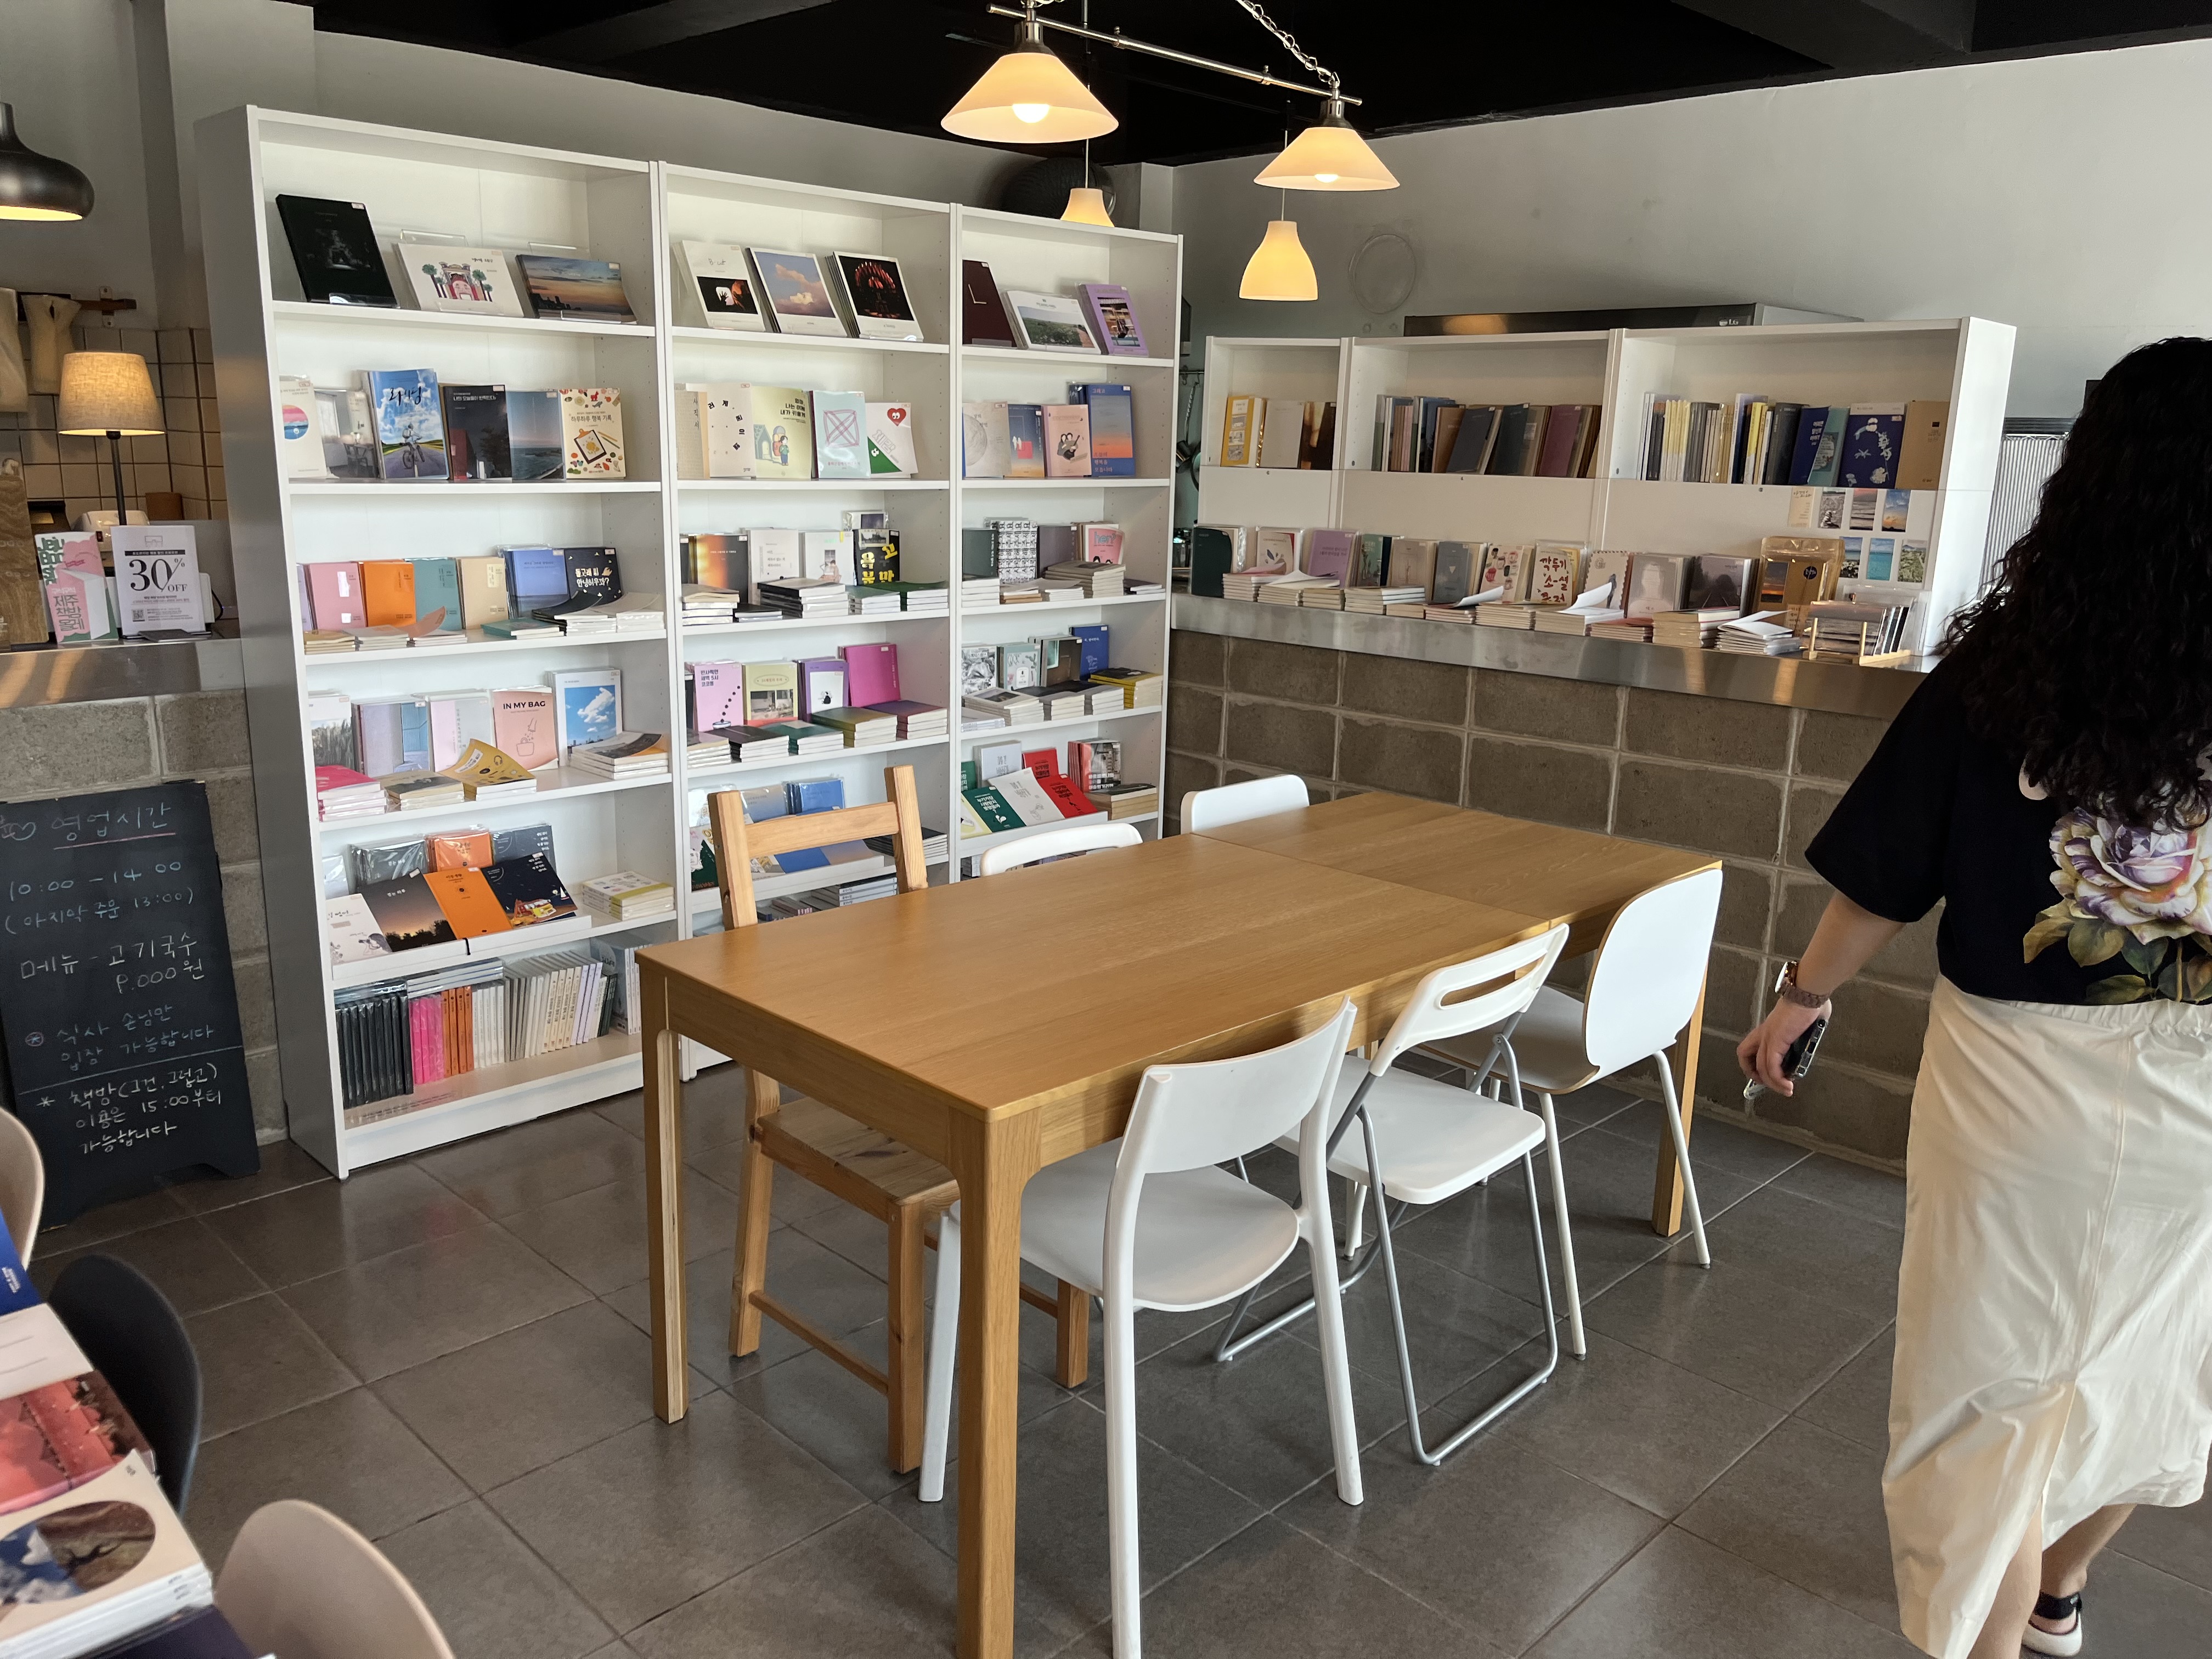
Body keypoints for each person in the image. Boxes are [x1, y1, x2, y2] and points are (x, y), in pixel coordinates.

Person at [1738, 336, 2212, 1659]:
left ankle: (1993, 1634)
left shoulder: (2009, 670)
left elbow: (1887, 873)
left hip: (2016, 1088)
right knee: (2149, 1364)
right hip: (2200, 1096)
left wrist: (1800, 997)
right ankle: (2057, 1595)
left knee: (1986, 1393)